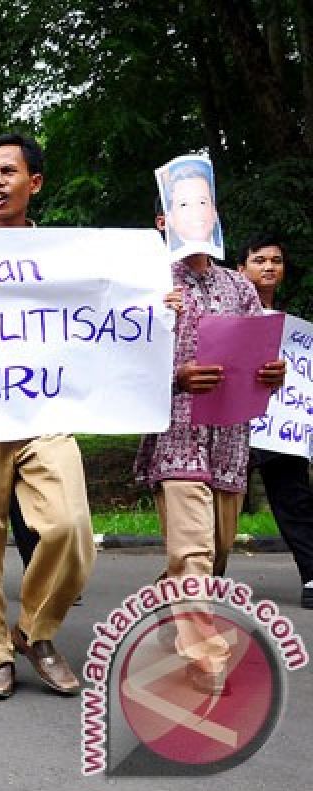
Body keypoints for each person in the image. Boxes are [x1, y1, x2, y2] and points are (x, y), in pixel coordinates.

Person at [0, 134, 94, 700]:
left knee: (70, 526)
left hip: (44, 412)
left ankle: (35, 631)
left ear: (36, 183)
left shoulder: (67, 255)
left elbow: (112, 309)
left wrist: (156, 306)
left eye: (8, 171)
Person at [135, 203, 285, 691]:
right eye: (182, 208)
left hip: (229, 438)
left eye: (205, 206)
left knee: (213, 552)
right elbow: (122, 358)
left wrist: (272, 372)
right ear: (163, 222)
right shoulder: (147, 280)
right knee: (193, 550)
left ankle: (167, 608)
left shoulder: (239, 286)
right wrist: (174, 375)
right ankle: (206, 657)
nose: (196, 216)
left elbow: (259, 355)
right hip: (176, 433)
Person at [237, 234, 313, 609]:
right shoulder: (226, 317)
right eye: (259, 259)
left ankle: (312, 575)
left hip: (280, 426)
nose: (268, 266)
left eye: (276, 260)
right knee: (221, 504)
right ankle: (203, 583)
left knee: (293, 497)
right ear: (241, 268)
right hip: (233, 424)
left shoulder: (293, 330)